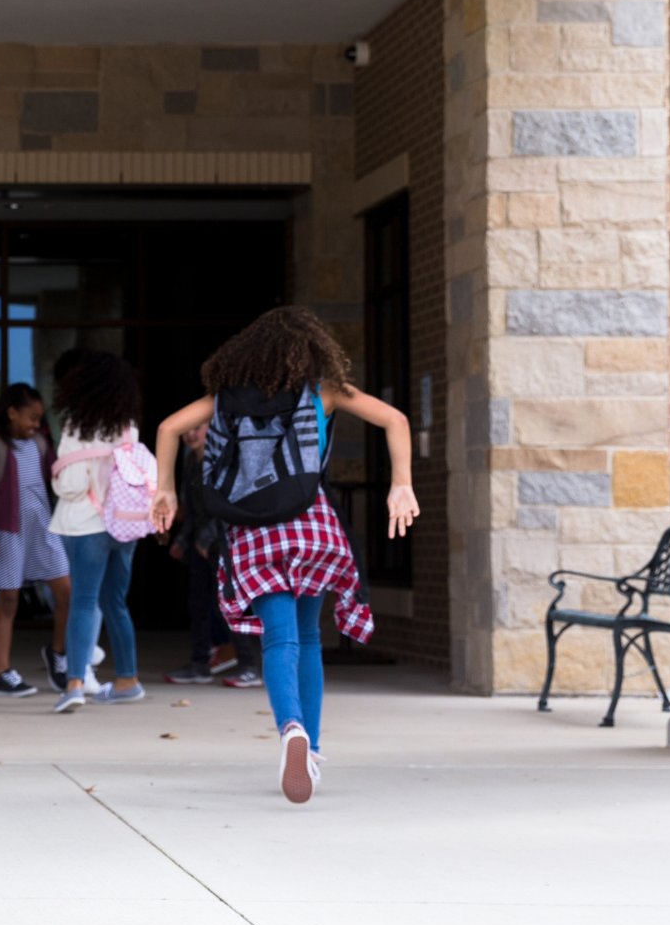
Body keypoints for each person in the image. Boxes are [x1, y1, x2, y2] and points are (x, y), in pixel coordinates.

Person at [153, 306, 417, 804]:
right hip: (312, 522)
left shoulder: (226, 398)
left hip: (254, 531)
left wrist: (165, 490)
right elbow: (395, 419)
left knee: (279, 640)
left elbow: (168, 428)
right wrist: (400, 484)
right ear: (312, 349)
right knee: (310, 640)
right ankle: (311, 750)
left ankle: (290, 729)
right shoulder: (324, 390)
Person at [49, 350, 145, 713]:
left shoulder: (76, 426)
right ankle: (127, 679)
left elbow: (70, 486)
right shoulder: (128, 427)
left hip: (84, 525)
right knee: (115, 604)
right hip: (124, 526)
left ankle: (74, 683)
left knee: (82, 602)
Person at [0, 383, 71, 698]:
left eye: (39, 418)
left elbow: (60, 474)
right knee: (8, 600)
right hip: (7, 532)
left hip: (44, 529)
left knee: (67, 593)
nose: (35, 424)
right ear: (11, 412)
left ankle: (58, 652)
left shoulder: (41, 442)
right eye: (31, 417)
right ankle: (2, 673)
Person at [160, 421, 259, 688]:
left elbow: (230, 506)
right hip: (200, 548)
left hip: (224, 545)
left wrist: (206, 538)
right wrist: (183, 539)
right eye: (187, 430)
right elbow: (192, 511)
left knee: (229, 605)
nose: (191, 434)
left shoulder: (222, 462)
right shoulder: (192, 462)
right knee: (198, 604)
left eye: (198, 428)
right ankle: (199, 664)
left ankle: (248, 665)